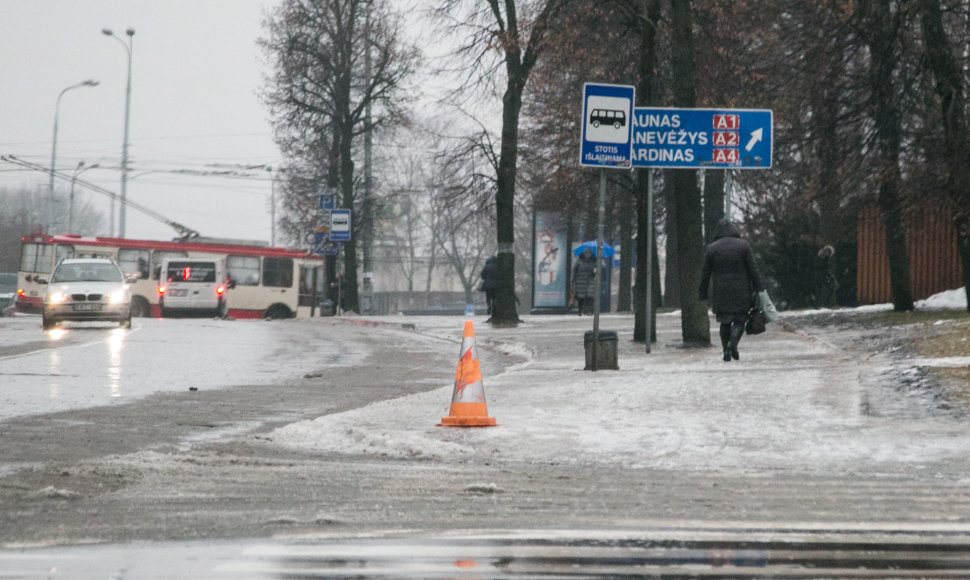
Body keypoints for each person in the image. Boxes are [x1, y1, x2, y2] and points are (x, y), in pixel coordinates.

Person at [698, 219, 765, 362]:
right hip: (742, 291)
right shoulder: (744, 246)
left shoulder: (712, 248)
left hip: (721, 291)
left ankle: (725, 350)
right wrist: (759, 287)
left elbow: (705, 273)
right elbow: (753, 269)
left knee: (725, 322)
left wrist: (702, 292)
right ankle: (733, 342)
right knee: (740, 320)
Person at [572, 247, 598, 316]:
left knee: (590, 296)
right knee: (581, 297)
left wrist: (594, 271)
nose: (587, 254)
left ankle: (589, 310)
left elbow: (596, 270)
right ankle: (580, 310)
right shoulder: (579, 260)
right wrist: (572, 280)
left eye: (589, 253)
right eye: (586, 253)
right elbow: (574, 270)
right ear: (584, 253)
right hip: (580, 281)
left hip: (590, 281)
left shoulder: (593, 261)